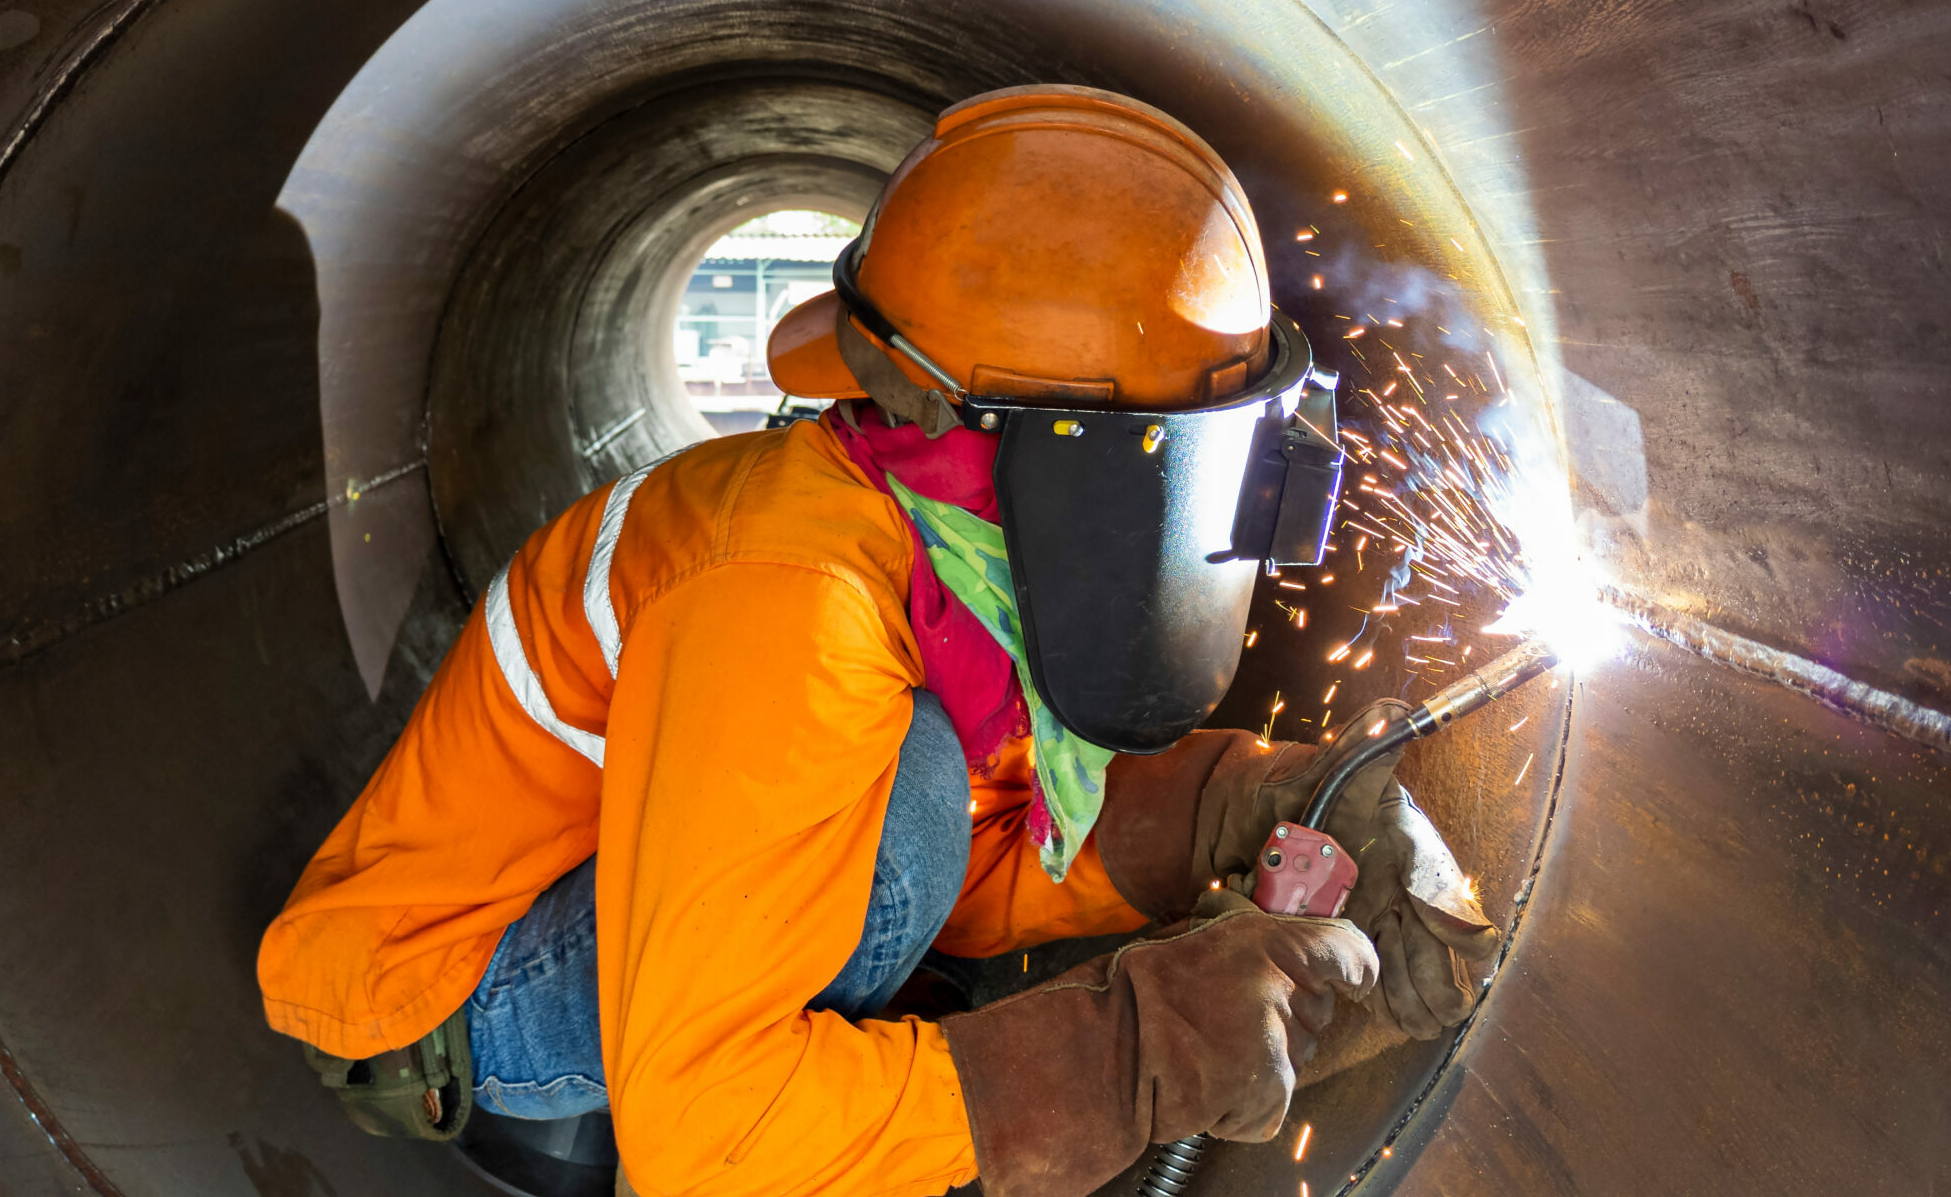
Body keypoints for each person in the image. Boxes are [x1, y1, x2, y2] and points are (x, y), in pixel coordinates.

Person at [257, 85, 1500, 1197]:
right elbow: (705, 1131)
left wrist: (1227, 810)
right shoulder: (791, 596)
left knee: (915, 790)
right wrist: (1133, 1054)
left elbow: (954, 873)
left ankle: (843, 1101)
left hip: (608, 922)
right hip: (462, 998)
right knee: (907, 783)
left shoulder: (942, 549)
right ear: (1053, 443)